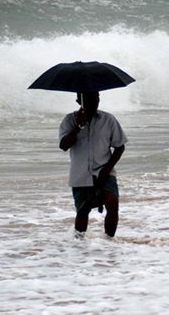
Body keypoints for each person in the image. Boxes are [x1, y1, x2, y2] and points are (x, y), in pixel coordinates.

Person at [59, 91, 127, 238]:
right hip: (80, 174)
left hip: (105, 170)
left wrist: (106, 169)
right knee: (83, 211)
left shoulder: (108, 120)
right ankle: (79, 245)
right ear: (79, 101)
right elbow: (63, 145)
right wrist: (78, 126)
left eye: (97, 98)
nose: (95, 102)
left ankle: (109, 242)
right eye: (90, 99)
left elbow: (120, 146)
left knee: (112, 204)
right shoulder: (69, 120)